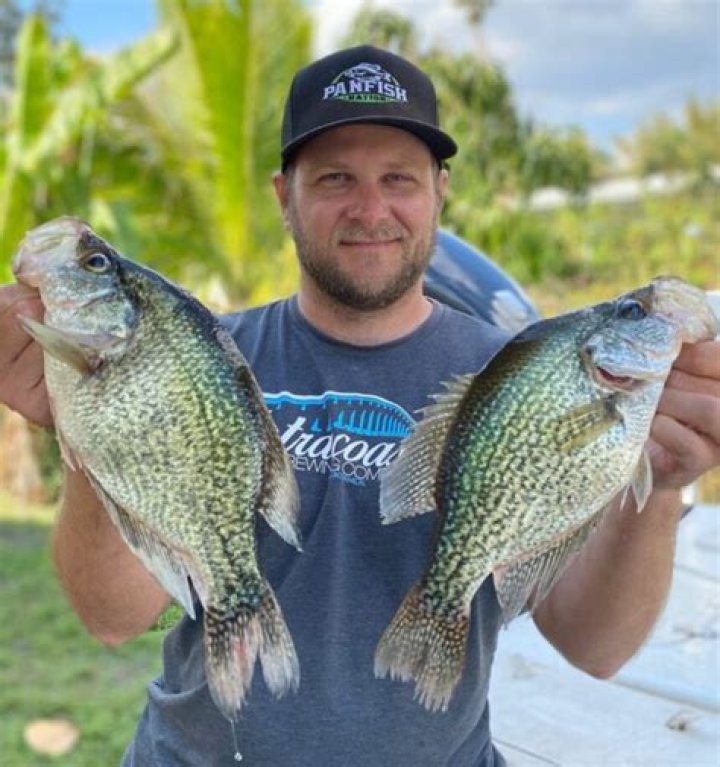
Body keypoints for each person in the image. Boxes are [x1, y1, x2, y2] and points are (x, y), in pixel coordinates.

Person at [1, 45, 719, 767]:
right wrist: (86, 433)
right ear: (285, 197)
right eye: (336, 177)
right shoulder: (203, 361)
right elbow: (111, 617)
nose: (371, 209)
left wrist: (658, 487)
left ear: (439, 191)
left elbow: (595, 647)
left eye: (398, 177)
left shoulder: (518, 377)